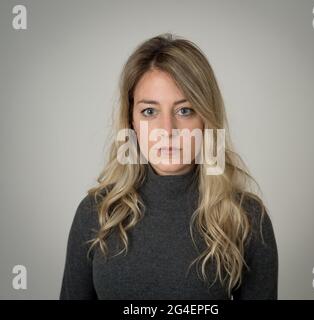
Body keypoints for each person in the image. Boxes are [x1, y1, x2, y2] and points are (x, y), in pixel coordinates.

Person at [59, 33, 278, 300]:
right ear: (131, 122)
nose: (167, 130)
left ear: (207, 118)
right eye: (149, 112)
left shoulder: (246, 217)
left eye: (184, 110)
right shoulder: (96, 213)